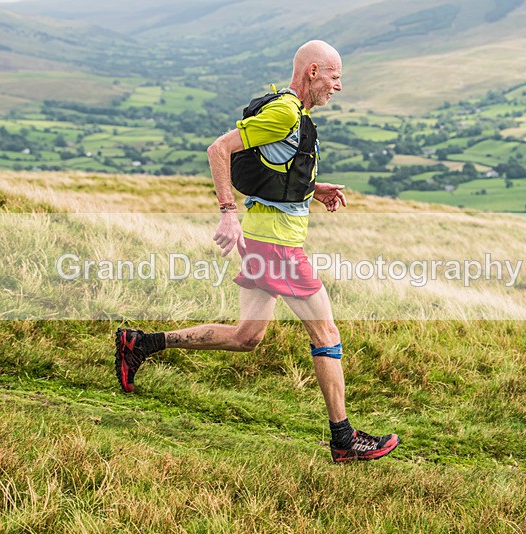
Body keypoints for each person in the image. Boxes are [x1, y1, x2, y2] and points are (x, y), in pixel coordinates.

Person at [114, 40, 399, 463]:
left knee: (247, 336)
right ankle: (344, 440)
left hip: (265, 238)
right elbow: (219, 149)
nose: (339, 87)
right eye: (335, 77)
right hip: (278, 246)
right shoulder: (285, 111)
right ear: (314, 71)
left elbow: (274, 169)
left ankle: (140, 344)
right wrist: (227, 212)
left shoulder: (292, 112)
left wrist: (311, 189)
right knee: (327, 335)